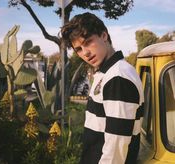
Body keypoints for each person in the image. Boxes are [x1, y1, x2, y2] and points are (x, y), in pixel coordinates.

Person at [61, 12, 144, 164]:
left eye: (88, 42)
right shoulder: (106, 73)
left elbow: (116, 147)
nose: (85, 53)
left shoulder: (118, 77)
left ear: (104, 35)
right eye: (78, 49)